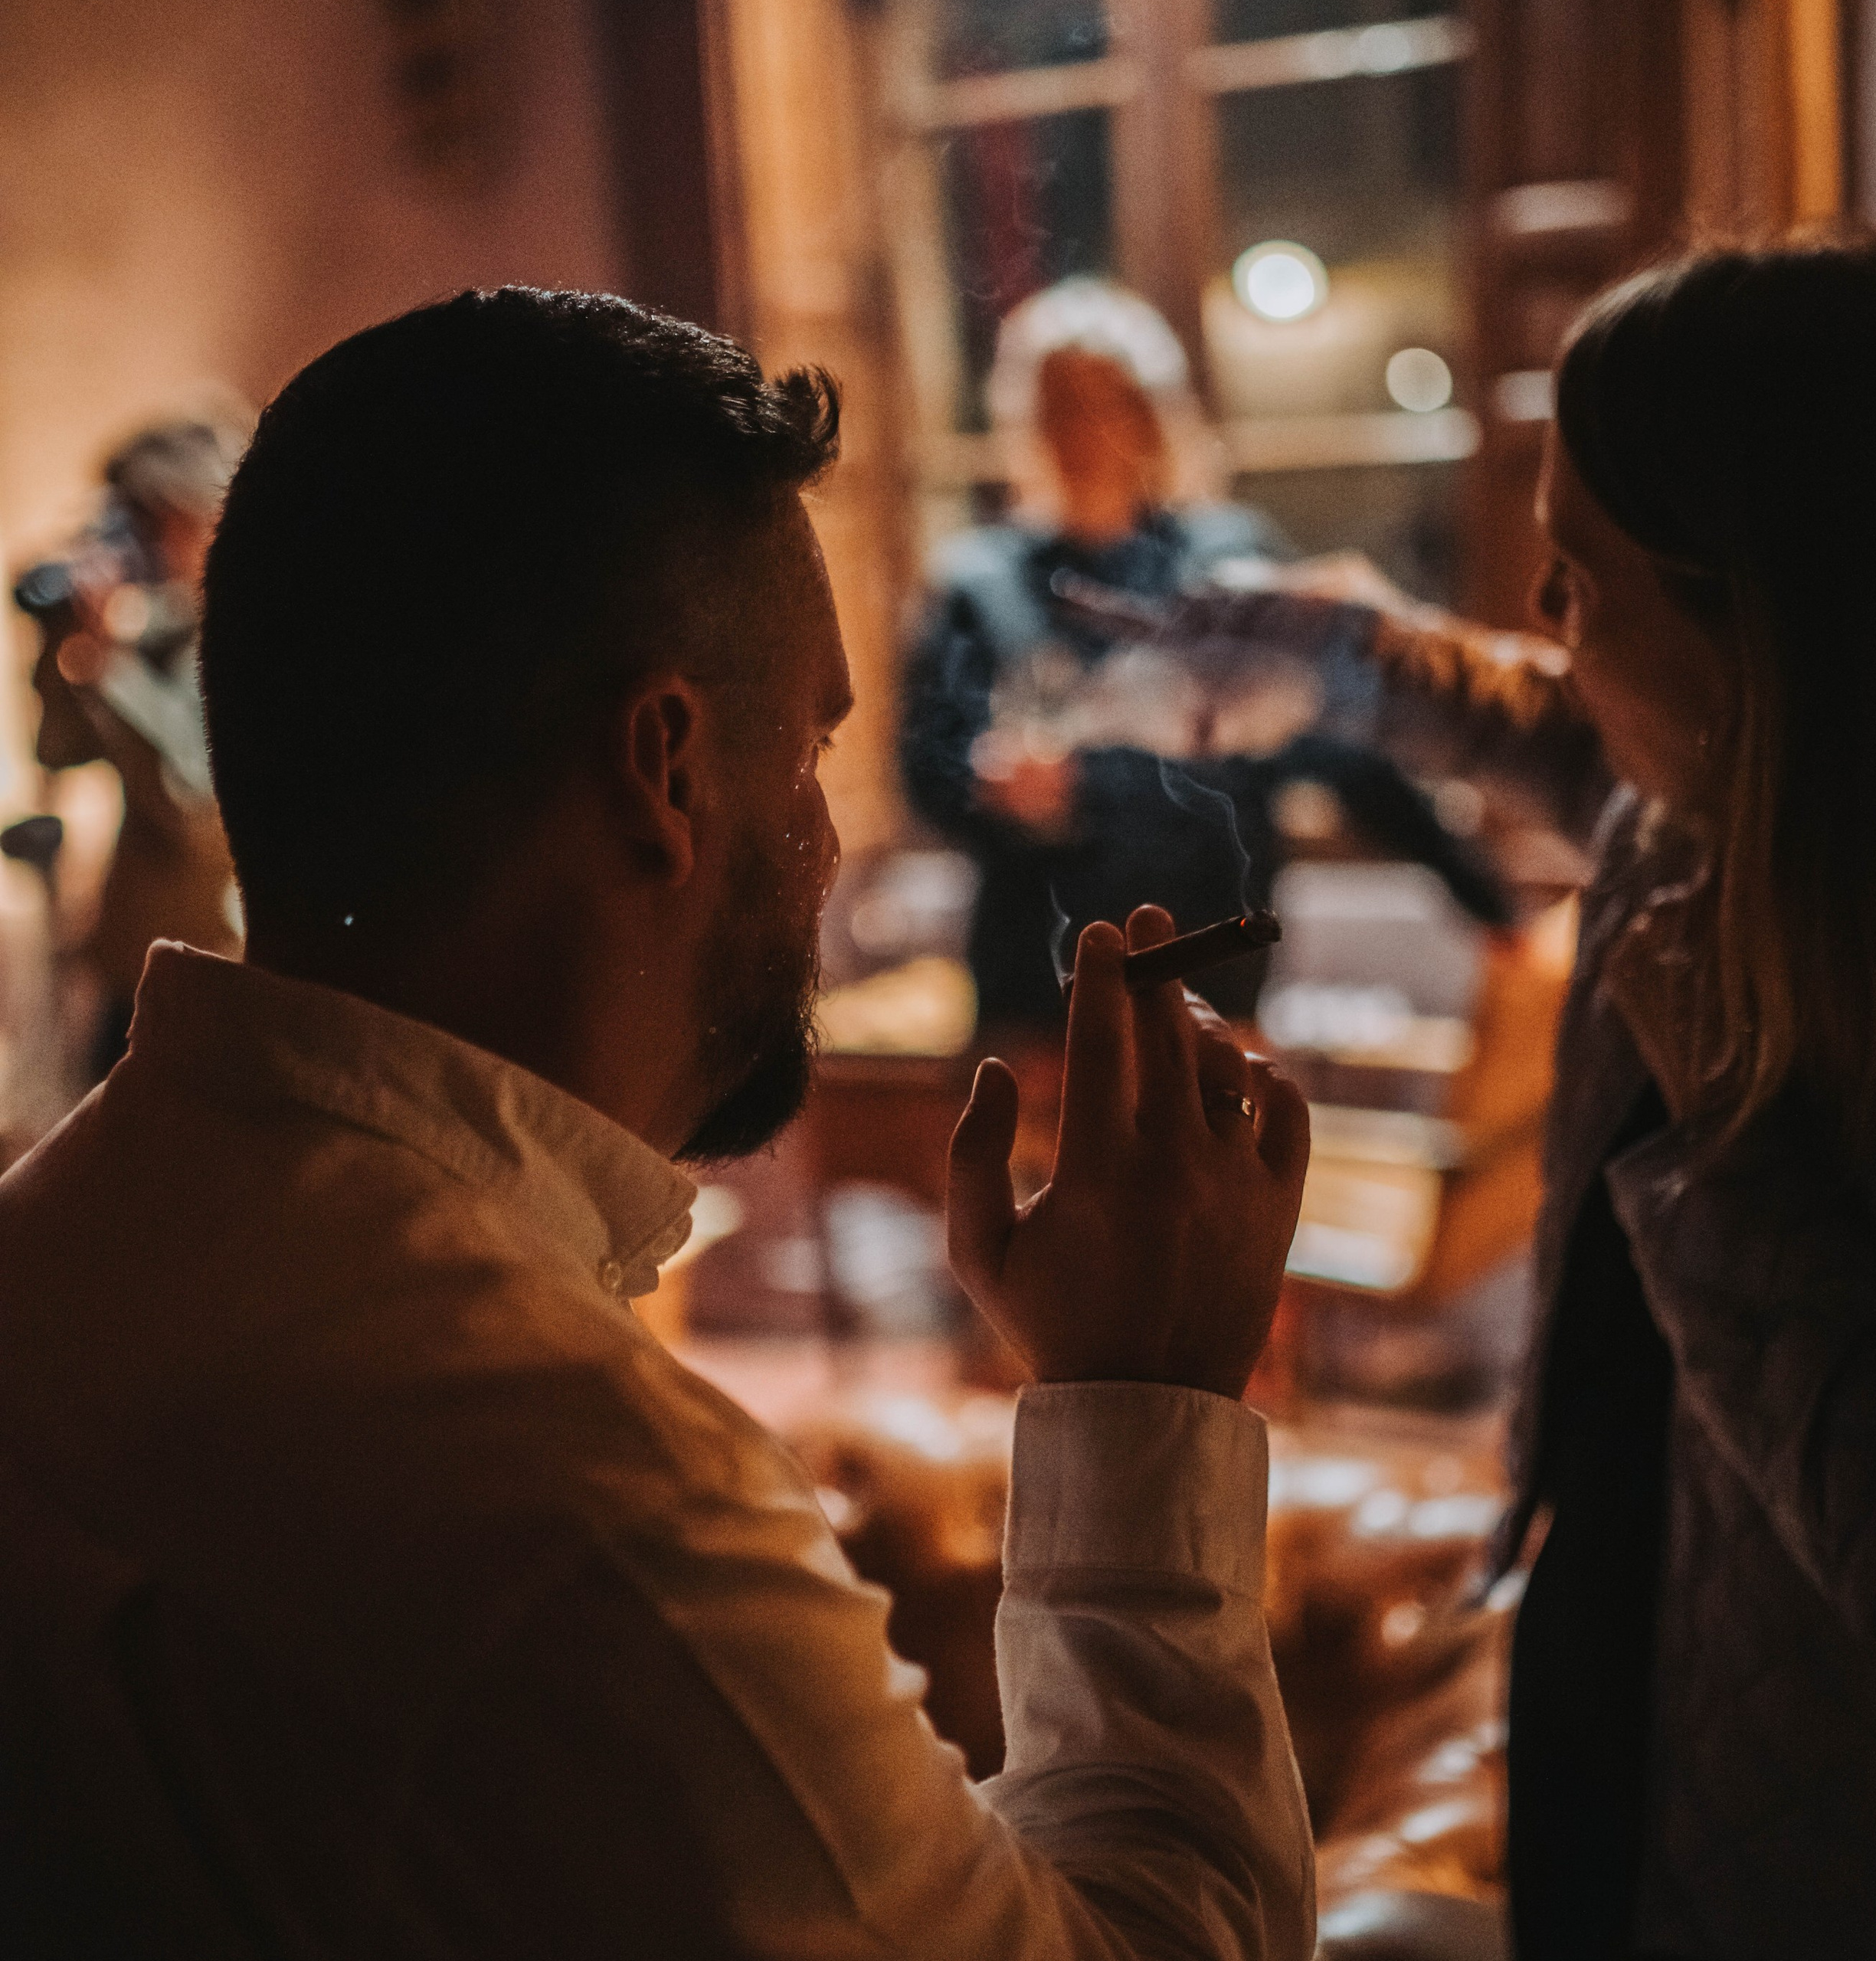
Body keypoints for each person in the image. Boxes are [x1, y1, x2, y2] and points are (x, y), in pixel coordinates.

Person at [0, 287, 1318, 1958]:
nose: (826, 840)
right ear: (666, 766)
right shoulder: (600, 1526)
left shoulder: (63, 1243)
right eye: (814, 743)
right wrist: (1145, 1406)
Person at [1148, 234, 1876, 1958]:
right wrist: (1333, 643)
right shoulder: (1697, 808)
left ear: (1771, 627)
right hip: (1637, 1647)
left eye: (1580, 579)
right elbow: (1535, 715)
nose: (1539, 619)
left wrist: (1722, 1153)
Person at [900, 278, 1504, 1032]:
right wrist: (983, 782)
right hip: (1037, 985)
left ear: (1153, 416)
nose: (1081, 430)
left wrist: (1485, 900)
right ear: (1022, 421)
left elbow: (1340, 744)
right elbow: (925, 765)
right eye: (1058, 405)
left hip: (1211, 969)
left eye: (1105, 401)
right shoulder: (978, 582)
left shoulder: (1230, 569)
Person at [17, 416, 245, 1079]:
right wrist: (60, 653)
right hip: (133, 968)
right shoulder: (159, 634)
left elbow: (193, 804)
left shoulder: (243, 645)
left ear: (201, 512)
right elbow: (57, 752)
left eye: (149, 519)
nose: (135, 542)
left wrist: (112, 669)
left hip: (211, 971)